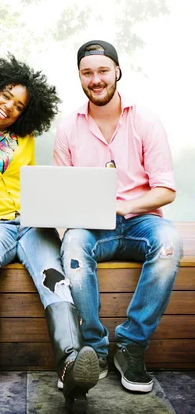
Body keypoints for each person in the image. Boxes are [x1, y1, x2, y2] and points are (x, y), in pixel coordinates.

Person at [0, 55, 99, 413]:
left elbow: (34, 185)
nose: (9, 107)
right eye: (5, 96)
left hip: (33, 223)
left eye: (19, 106)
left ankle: (71, 364)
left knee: (56, 278)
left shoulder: (25, 138)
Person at [54, 40, 183, 394]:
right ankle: (94, 348)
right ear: (79, 77)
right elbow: (62, 193)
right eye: (87, 73)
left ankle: (130, 345)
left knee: (170, 242)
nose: (95, 80)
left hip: (141, 220)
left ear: (117, 72)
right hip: (94, 227)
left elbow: (166, 191)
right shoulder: (68, 127)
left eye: (102, 71)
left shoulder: (145, 120)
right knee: (74, 243)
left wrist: (124, 206)